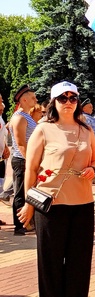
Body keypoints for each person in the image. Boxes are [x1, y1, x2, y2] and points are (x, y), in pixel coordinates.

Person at [18, 82, 95, 297]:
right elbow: (30, 171)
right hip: (50, 204)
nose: (68, 102)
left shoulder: (86, 130)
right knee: (51, 262)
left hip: (83, 202)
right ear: (53, 102)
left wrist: (93, 170)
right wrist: (28, 207)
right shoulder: (43, 130)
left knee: (79, 261)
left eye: (72, 97)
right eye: (62, 98)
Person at [9, 84, 38, 235]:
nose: (36, 99)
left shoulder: (26, 116)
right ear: (24, 100)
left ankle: (28, 222)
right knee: (20, 192)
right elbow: (21, 144)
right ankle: (19, 226)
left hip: (27, 159)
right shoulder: (19, 117)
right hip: (22, 160)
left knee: (28, 191)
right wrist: (31, 161)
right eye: (33, 97)